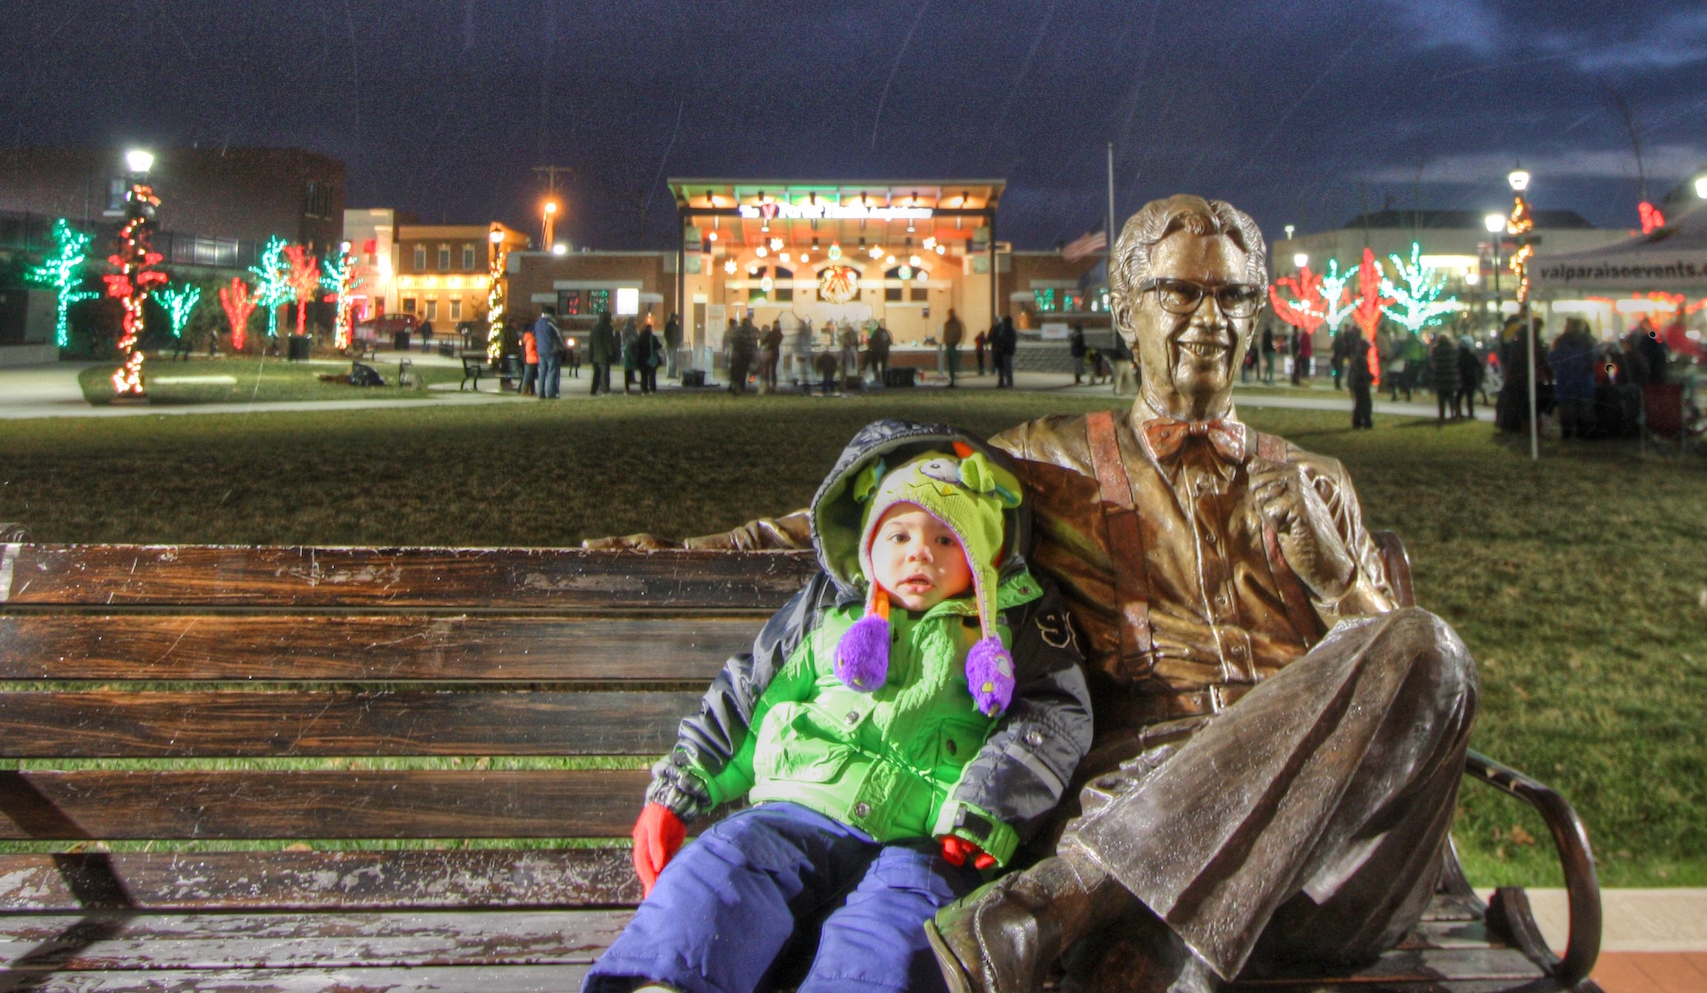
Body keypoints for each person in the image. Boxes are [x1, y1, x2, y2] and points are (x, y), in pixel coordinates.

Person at [628, 197, 1477, 993]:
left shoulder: (1319, 482)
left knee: (1427, 646)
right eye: (1180, 290)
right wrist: (680, 550)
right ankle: (1121, 924)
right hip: (1146, 802)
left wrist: (1336, 580)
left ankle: (1062, 906)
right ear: (1124, 314)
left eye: (1235, 295)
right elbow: (898, 512)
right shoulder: (1048, 460)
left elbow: (1410, 704)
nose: (1210, 317)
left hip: (1317, 864)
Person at [588, 427, 1093, 993]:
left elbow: (1049, 719)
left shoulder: (1015, 625)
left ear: (985, 553)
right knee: (721, 871)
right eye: (898, 535)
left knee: (902, 934)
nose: (918, 552)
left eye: (947, 540)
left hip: (925, 839)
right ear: (871, 545)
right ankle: (662, 983)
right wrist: (682, 785)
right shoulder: (831, 610)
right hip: (799, 805)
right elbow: (751, 692)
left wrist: (987, 808)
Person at [1549, 319, 1597, 439]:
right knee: (1585, 411)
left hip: (1565, 382)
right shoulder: (1589, 341)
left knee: (1567, 412)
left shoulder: (1561, 341)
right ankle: (1585, 437)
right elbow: (1593, 360)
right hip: (1585, 382)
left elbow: (1553, 358)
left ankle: (1568, 436)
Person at [1343, 317, 1374, 429]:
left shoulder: (1358, 358)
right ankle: (1365, 421)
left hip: (1357, 384)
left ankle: (1360, 422)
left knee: (1360, 404)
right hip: (1360, 385)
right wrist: (1370, 377)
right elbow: (1362, 373)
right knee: (1364, 403)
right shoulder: (1361, 360)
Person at [1429, 332, 1460, 424]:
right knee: (1451, 396)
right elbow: (1456, 360)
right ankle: (1453, 414)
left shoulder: (1436, 349)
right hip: (1451, 375)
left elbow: (1432, 360)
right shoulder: (1453, 349)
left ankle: (1441, 415)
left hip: (1440, 375)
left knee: (1441, 397)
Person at [534, 307, 564, 400]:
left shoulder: (537, 323)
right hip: (551, 350)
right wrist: (562, 347)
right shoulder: (551, 323)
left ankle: (540, 392)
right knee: (552, 371)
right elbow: (559, 335)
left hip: (540, 350)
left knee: (542, 371)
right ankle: (551, 392)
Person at [591, 314, 620, 396]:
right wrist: (612, 353)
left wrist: (591, 354)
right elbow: (608, 342)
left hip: (596, 354)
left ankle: (594, 390)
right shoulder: (607, 329)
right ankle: (605, 390)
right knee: (605, 373)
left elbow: (591, 342)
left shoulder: (595, 328)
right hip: (604, 354)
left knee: (597, 374)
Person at [730, 314, 759, 395]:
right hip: (747, 354)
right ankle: (742, 387)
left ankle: (737, 387)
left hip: (739, 354)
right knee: (744, 371)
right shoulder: (751, 331)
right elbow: (754, 343)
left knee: (738, 372)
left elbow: (733, 341)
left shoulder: (738, 331)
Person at [992, 314, 1018, 389]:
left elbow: (1003, 341)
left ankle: (1007, 382)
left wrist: (1000, 348)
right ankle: (1005, 382)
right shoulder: (1009, 331)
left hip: (1005, 352)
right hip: (1006, 352)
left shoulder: (1006, 331)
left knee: (1005, 368)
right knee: (1004, 368)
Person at [762, 317, 785, 395]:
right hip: (774, 353)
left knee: (769, 370)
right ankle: (772, 386)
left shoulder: (772, 334)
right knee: (771, 370)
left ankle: (768, 385)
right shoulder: (779, 334)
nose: (776, 326)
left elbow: (765, 341)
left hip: (770, 353)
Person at [944, 310, 965, 386]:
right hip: (949, 345)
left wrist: (957, 342)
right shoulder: (948, 323)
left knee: (953, 364)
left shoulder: (956, 324)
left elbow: (959, 333)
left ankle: (953, 380)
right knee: (950, 365)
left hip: (953, 345)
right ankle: (951, 380)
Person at [521, 321, 541, 397]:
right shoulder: (531, 339)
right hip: (532, 359)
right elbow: (529, 349)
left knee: (530, 376)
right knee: (529, 375)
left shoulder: (526, 338)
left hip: (530, 359)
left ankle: (531, 390)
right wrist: (536, 353)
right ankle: (525, 390)